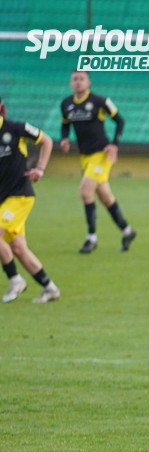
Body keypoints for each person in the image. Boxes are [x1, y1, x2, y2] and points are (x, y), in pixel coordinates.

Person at [59, 70, 137, 254]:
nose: (78, 82)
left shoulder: (100, 101)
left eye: (82, 78)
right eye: (75, 79)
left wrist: (114, 144)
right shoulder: (66, 104)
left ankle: (91, 238)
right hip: (85, 156)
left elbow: (120, 121)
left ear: (89, 82)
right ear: (71, 83)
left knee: (85, 192)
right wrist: (64, 139)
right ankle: (127, 231)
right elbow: (65, 124)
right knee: (105, 197)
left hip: (101, 155)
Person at [0, 95, 61, 304]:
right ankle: (50, 288)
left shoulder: (16, 128)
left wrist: (40, 169)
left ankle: (15, 279)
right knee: (18, 248)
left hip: (20, 195)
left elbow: (46, 141)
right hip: (3, 200)